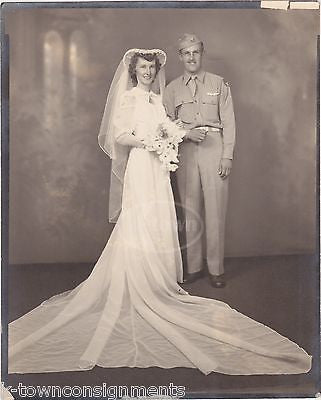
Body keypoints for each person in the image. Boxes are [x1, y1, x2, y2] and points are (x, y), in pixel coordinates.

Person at [8, 48, 311, 376]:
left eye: (152, 68)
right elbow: (118, 136)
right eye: (143, 68)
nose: (148, 73)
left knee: (160, 220)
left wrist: (178, 135)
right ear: (134, 70)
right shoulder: (128, 99)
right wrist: (149, 142)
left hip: (159, 169)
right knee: (140, 219)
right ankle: (138, 280)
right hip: (141, 165)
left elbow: (169, 128)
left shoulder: (156, 99)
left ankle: (157, 282)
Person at [163, 34, 235, 288]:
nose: (191, 57)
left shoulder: (218, 83)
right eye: (186, 53)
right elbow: (165, 123)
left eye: (196, 52)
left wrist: (227, 155)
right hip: (186, 151)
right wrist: (185, 133)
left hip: (214, 148)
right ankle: (194, 267)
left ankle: (216, 268)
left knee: (215, 210)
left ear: (202, 54)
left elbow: (229, 122)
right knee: (191, 210)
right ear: (180, 56)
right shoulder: (172, 88)